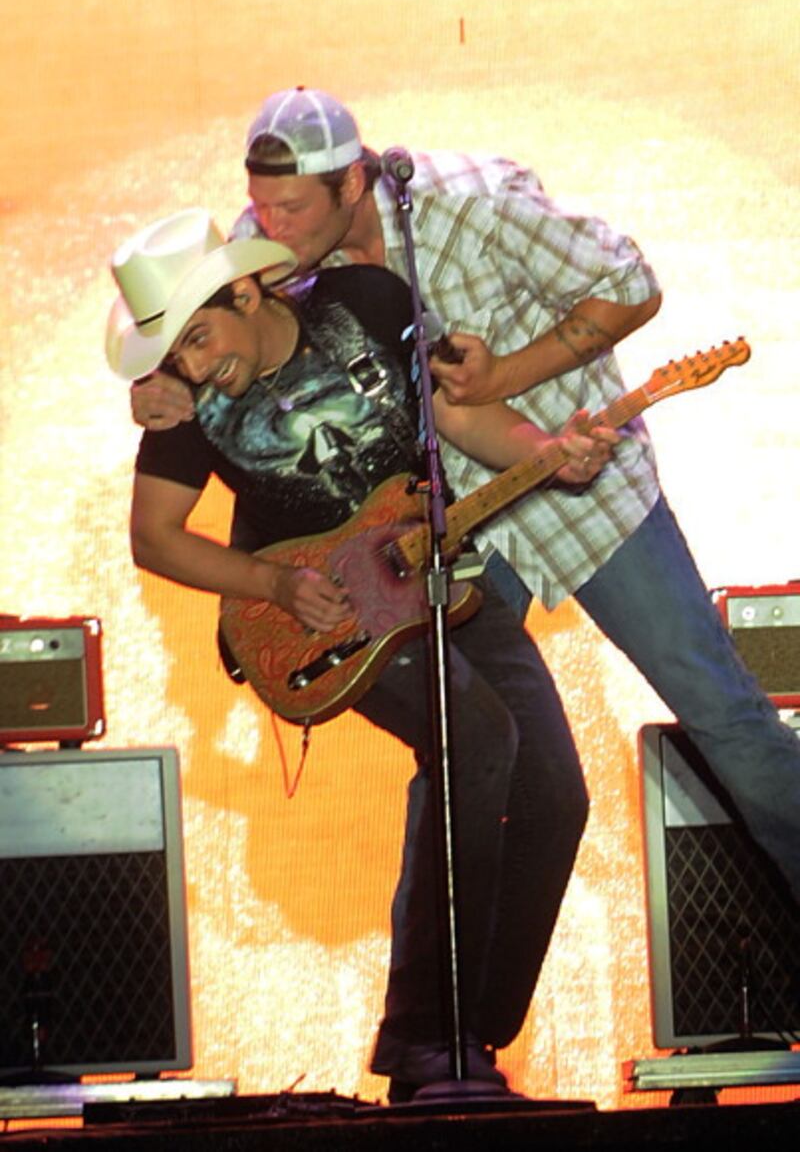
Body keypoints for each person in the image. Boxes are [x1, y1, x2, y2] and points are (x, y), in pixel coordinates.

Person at [130, 88, 800, 909]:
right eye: (260, 205)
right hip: (441, 537)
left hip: (578, 489)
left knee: (724, 715)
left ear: (352, 182)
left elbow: (632, 283)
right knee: (457, 756)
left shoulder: (475, 202)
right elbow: (193, 328)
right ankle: (442, 993)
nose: (270, 226)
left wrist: (506, 377)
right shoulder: (268, 253)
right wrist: (159, 382)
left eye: (290, 208)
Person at [106, 207, 619, 1099]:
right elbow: (153, 536)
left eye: (197, 337)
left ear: (246, 291)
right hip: (330, 617)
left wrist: (549, 451)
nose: (191, 364)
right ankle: (426, 1039)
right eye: (173, 353)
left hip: (446, 574)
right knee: (474, 738)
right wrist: (271, 583)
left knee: (557, 792)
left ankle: (471, 1033)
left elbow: (460, 417)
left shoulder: (370, 302)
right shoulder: (188, 405)